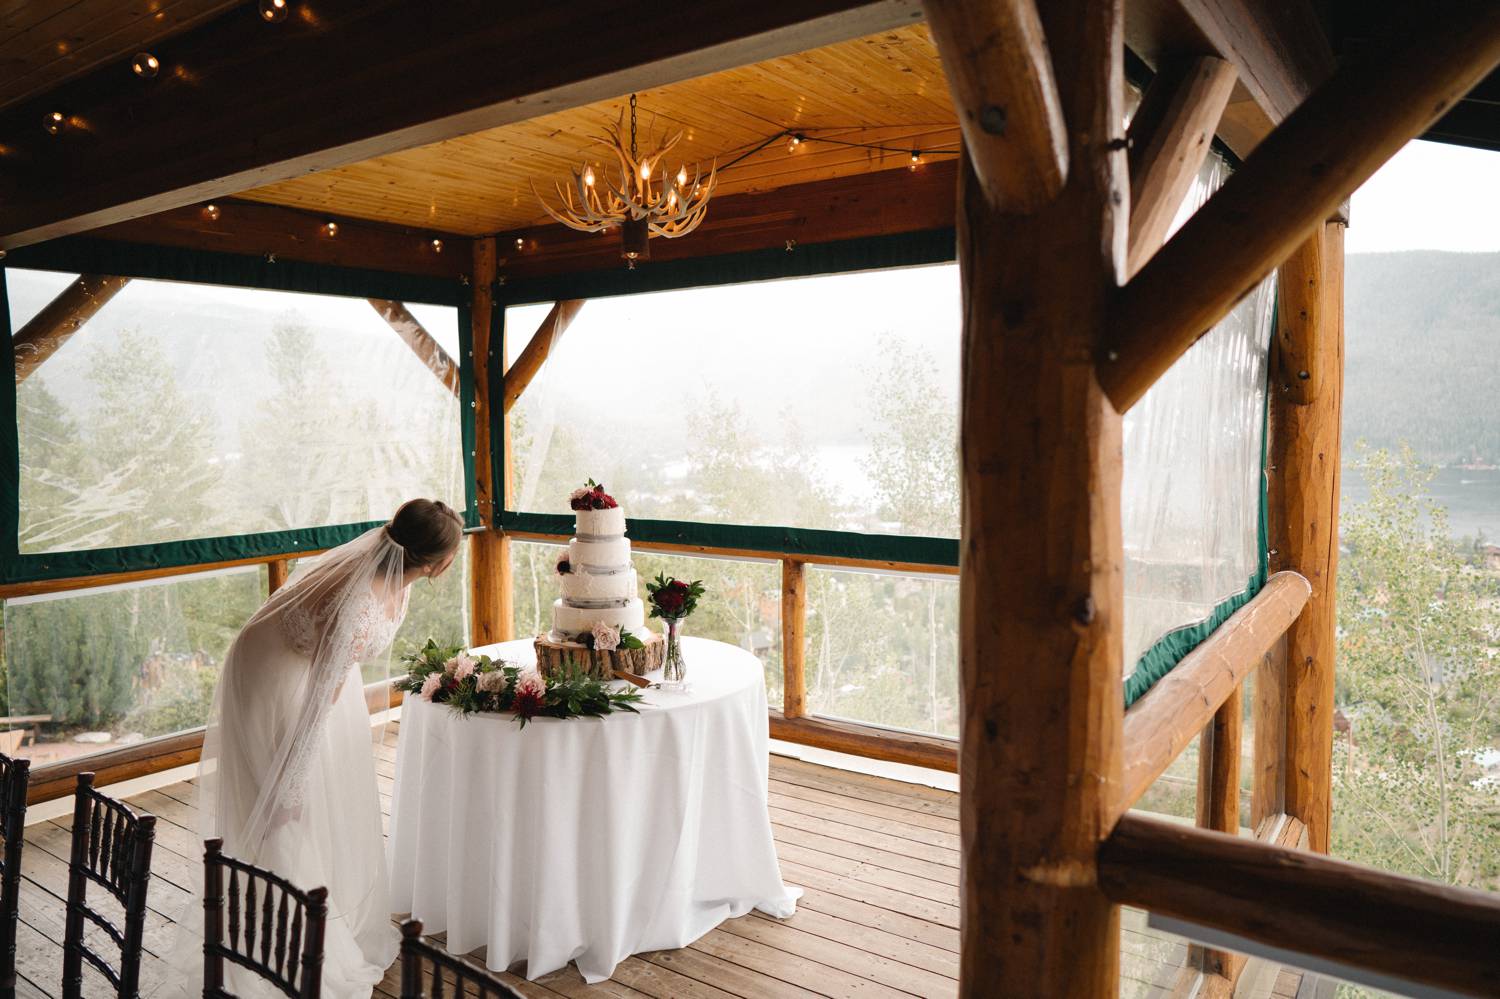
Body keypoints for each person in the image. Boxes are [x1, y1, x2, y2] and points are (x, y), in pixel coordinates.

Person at [169, 499, 462, 997]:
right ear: (437, 564)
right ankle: (281, 940)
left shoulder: (395, 576)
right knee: (283, 807)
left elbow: (336, 673)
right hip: (269, 671)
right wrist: (291, 782)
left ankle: (315, 900)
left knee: (325, 792)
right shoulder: (358, 602)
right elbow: (315, 707)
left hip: (313, 667)